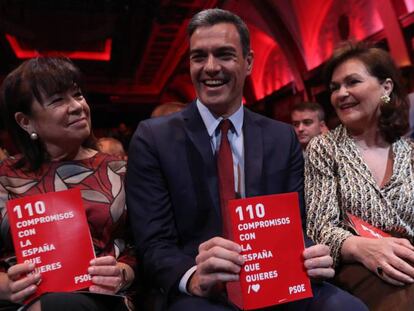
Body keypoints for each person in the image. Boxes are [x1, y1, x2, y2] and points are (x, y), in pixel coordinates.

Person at [126, 9, 367, 311]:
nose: (210, 67)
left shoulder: (281, 137)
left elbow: (294, 226)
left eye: (224, 55)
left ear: (249, 62)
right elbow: (153, 243)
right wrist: (193, 277)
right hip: (202, 291)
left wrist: (311, 255)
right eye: (199, 57)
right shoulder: (153, 138)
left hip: (277, 278)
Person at [0, 57, 136, 310]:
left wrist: (123, 272)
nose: (77, 106)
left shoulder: (120, 170)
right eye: (58, 100)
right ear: (25, 121)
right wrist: (6, 286)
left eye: (78, 95)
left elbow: (147, 246)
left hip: (106, 298)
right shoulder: (5, 177)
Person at [305, 41, 414, 310]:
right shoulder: (325, 147)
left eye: (352, 82)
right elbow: (319, 229)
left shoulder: (409, 151)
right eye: (334, 88)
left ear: (386, 88)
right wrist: (361, 248)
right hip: (357, 267)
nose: (341, 94)